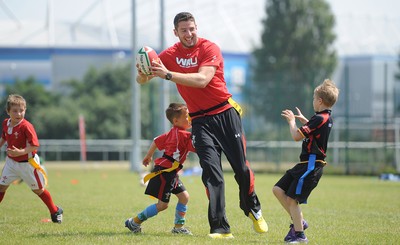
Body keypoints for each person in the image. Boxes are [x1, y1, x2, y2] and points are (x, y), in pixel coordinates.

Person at [136, 12, 268, 239]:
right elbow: (144, 79)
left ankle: (253, 208)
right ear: (175, 33)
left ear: (197, 27)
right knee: (211, 173)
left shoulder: (210, 49)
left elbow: (202, 79)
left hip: (225, 113)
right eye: (184, 30)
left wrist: (167, 75)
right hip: (199, 121)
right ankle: (220, 227)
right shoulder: (169, 55)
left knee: (242, 170)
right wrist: (144, 73)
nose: (189, 34)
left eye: (192, 28)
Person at [272, 79, 339, 243]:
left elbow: (296, 136)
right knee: (278, 189)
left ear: (320, 101)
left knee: (292, 200)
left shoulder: (319, 119)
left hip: (311, 165)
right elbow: (315, 130)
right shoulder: (324, 118)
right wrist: (304, 120)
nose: (313, 102)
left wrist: (292, 122)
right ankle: (299, 222)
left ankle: (299, 235)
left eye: (314, 99)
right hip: (304, 164)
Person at [125, 103, 195, 235]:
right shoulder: (182, 135)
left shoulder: (173, 132)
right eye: (187, 116)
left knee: (184, 197)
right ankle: (134, 222)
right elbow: (197, 147)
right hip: (165, 172)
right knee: (163, 205)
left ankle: (178, 228)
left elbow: (156, 141)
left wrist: (148, 156)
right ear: (175, 121)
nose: (190, 118)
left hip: (170, 172)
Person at [0, 94, 63, 223]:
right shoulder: (6, 123)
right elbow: (4, 137)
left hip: (28, 164)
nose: (18, 114)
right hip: (11, 163)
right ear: (8, 111)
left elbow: (34, 145)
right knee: (1, 187)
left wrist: (20, 152)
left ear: (25, 110)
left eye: (21, 110)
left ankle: (55, 211)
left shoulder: (26, 126)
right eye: (15, 111)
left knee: (38, 190)